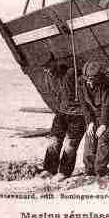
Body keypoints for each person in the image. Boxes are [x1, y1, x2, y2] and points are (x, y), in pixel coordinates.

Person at [39, 52, 85, 182]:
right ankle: (49, 169)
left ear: (55, 61)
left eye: (48, 65)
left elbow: (83, 84)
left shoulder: (71, 73)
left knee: (70, 145)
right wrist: (59, 109)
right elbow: (53, 94)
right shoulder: (47, 76)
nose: (47, 69)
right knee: (53, 141)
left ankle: (64, 172)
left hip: (78, 114)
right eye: (44, 67)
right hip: (61, 112)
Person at [79, 60, 109, 177]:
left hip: (106, 117)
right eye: (87, 79)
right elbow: (84, 106)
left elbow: (107, 105)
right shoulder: (81, 84)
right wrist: (89, 123)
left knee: (103, 141)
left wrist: (103, 124)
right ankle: (89, 170)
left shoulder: (105, 85)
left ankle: (100, 170)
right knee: (90, 140)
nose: (89, 82)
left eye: (92, 79)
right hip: (92, 118)